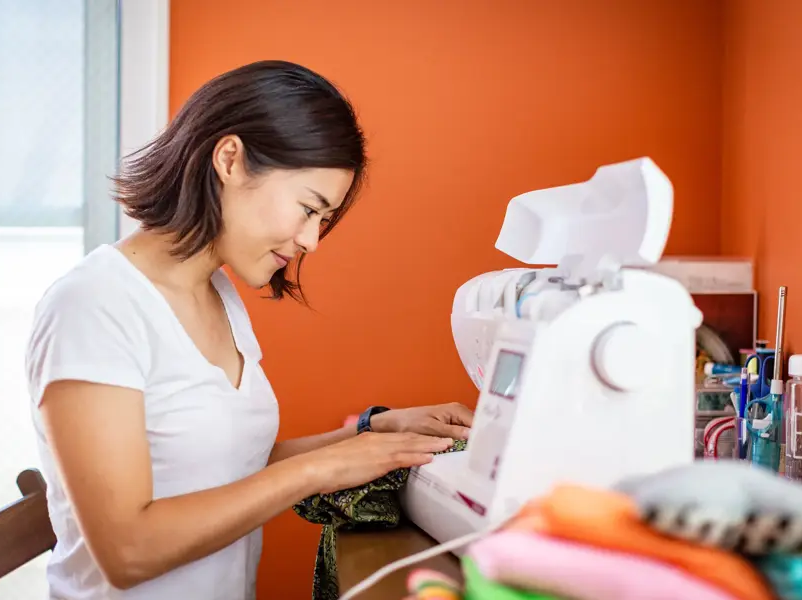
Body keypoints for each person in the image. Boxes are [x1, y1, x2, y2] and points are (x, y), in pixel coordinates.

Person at [24, 60, 474, 600]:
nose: (312, 241)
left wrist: (372, 434)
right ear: (230, 160)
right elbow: (128, 551)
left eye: (323, 220)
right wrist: (322, 470)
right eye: (309, 209)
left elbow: (226, 464)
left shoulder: (218, 294)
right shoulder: (94, 305)